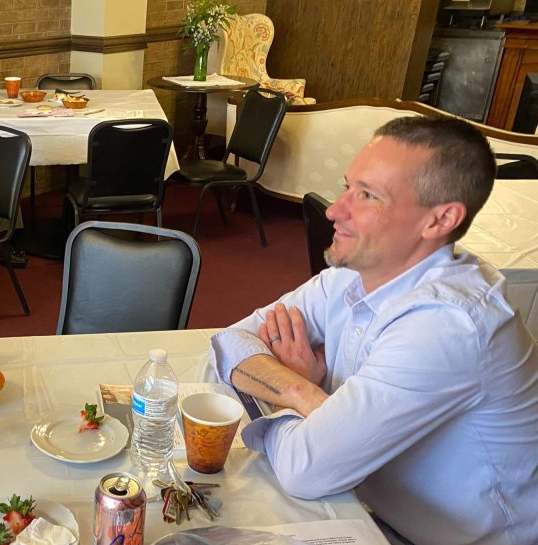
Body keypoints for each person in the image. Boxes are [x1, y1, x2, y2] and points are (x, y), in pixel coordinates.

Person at [209, 117, 538, 545]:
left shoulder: (450, 324)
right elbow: (229, 343)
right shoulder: (356, 271)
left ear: (439, 220)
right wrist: (303, 392)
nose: (334, 210)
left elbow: (305, 468)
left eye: (367, 196)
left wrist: (294, 402)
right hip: (367, 508)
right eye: (347, 186)